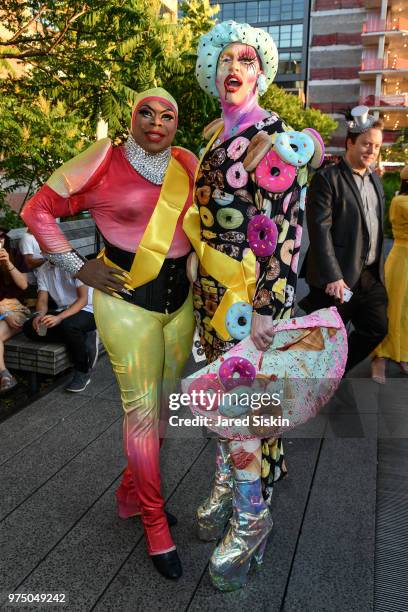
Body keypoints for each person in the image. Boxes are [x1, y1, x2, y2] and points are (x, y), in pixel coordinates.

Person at [21, 88, 197, 580]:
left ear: (177, 124)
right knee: (141, 415)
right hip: (124, 303)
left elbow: (200, 227)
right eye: (146, 112)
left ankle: (131, 493)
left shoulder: (186, 162)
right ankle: (156, 524)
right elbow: (36, 210)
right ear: (132, 116)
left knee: (164, 408)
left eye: (167, 115)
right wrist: (78, 267)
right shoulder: (103, 160)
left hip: (179, 304)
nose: (156, 122)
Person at [182, 20, 322, 591]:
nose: (233, 68)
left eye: (245, 60)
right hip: (212, 298)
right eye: (223, 61)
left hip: (251, 305)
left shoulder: (273, 136)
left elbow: (288, 229)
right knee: (223, 404)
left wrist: (269, 307)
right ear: (211, 70)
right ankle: (227, 484)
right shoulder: (216, 131)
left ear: (261, 72)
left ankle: (251, 518)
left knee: (241, 413)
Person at [300, 105, 388, 373]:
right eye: (365, 144)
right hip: (337, 279)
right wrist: (332, 276)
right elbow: (319, 229)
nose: (371, 151)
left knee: (377, 328)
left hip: (370, 276)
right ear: (350, 142)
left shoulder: (376, 181)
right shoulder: (327, 179)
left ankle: (336, 370)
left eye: (376, 146)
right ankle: (306, 387)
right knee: (322, 340)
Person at [22, 260, 98, 392]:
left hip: (89, 309)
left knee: (69, 326)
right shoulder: (43, 270)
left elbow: (83, 299)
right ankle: (84, 335)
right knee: (30, 328)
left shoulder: (75, 264)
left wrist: (59, 318)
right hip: (63, 311)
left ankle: (83, 370)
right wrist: (39, 315)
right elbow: (42, 300)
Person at [371, 165, 408, 383]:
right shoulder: (401, 202)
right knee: (393, 309)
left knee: (406, 312)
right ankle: (380, 357)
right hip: (402, 260)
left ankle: (402, 354)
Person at [0, 226, 29, 393]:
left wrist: (7, 263)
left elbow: (24, 285)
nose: (0, 240)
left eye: (2, 236)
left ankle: (4, 376)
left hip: (16, 308)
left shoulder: (14, 255)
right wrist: (4, 312)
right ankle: (5, 375)